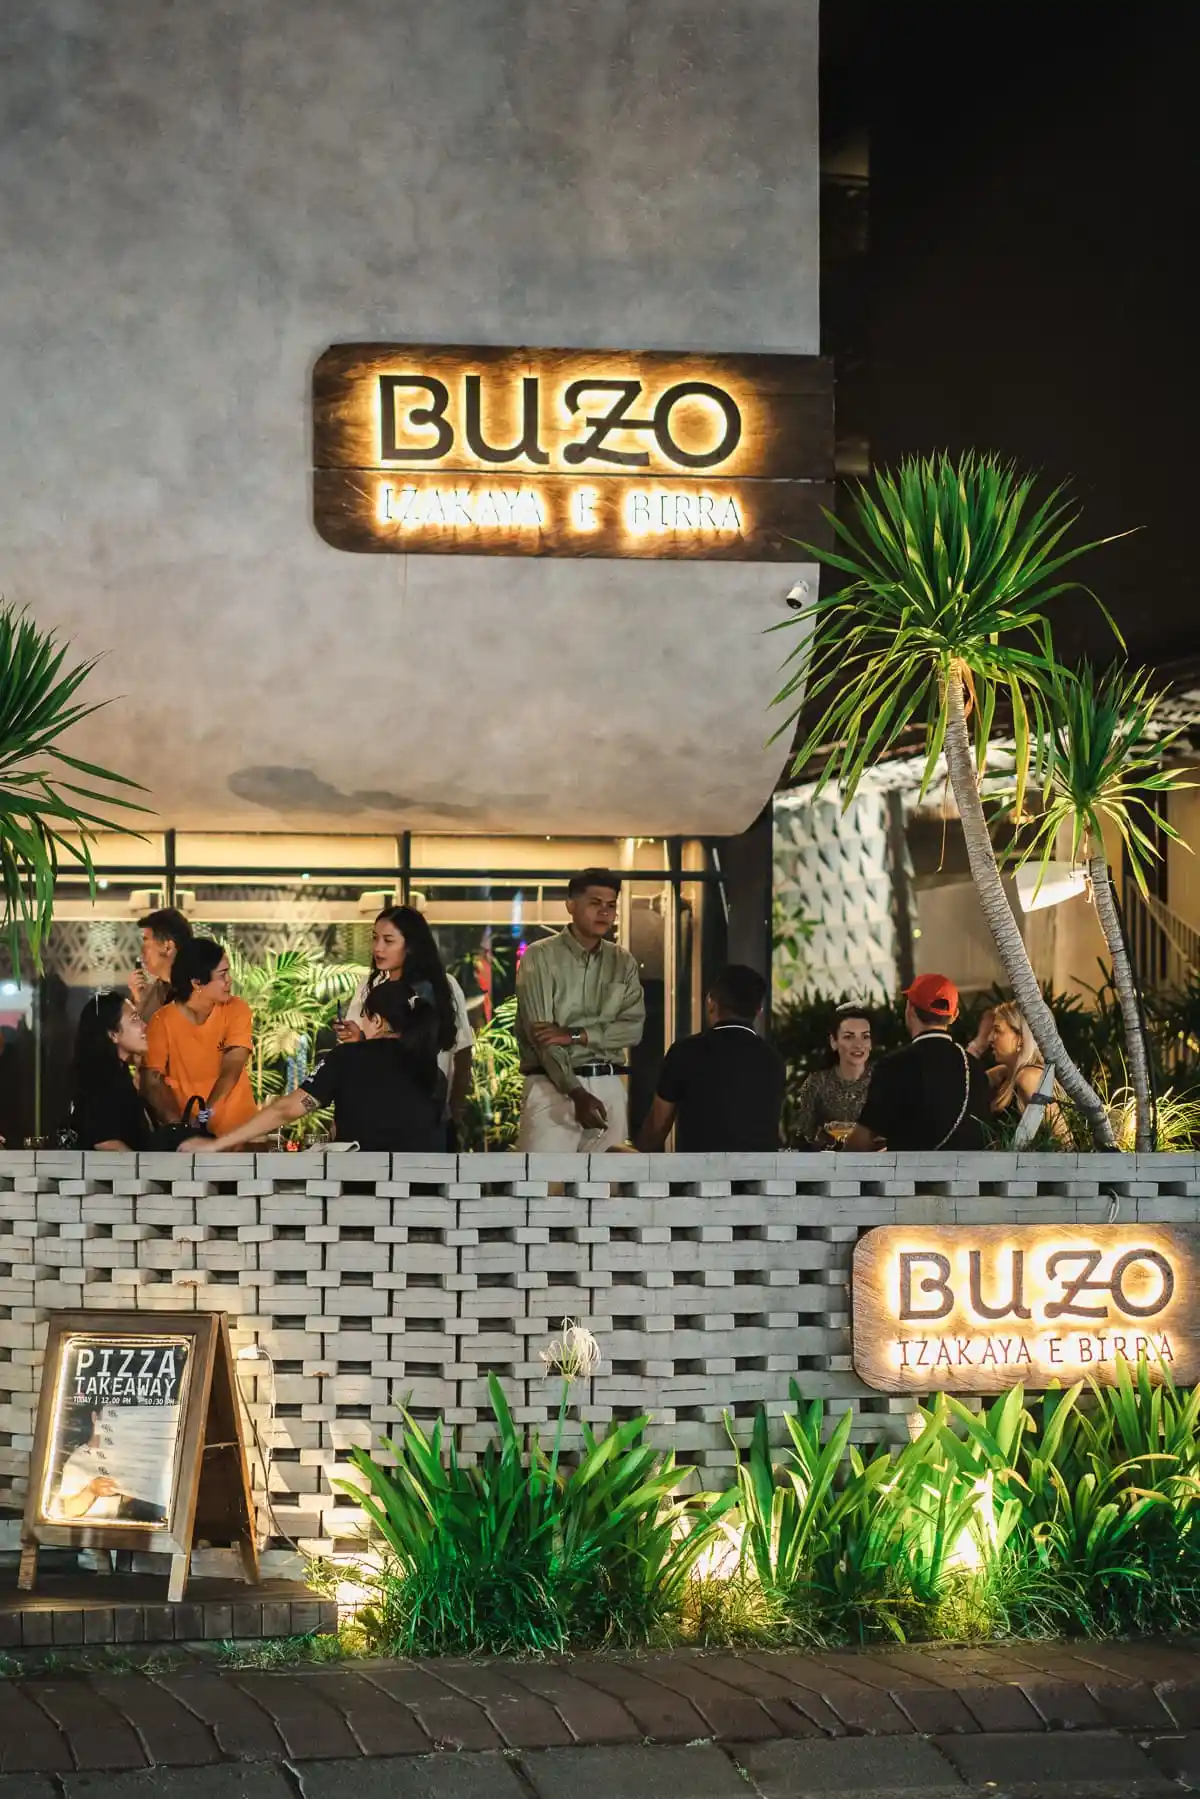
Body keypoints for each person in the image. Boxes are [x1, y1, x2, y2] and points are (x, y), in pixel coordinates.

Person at [204, 978, 444, 1153]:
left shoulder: (347, 1058)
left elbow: (286, 1110)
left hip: (360, 1192)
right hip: (422, 1194)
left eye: (364, 1017)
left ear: (378, 1021)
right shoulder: (433, 1071)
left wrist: (219, 1143)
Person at [515, 869, 645, 1152]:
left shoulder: (623, 961)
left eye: (611, 905)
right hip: (551, 1087)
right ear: (571, 905)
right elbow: (542, 1037)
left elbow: (633, 1030)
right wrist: (575, 1091)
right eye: (595, 903)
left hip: (609, 1085)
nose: (604, 912)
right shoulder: (540, 955)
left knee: (609, 1179)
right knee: (543, 1179)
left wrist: (575, 1034)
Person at [336, 905, 473, 1144]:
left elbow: (462, 1054)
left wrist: (455, 1115)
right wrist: (356, 1039)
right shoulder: (368, 986)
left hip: (429, 1112)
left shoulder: (443, 987)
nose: (378, 948)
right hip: (375, 1111)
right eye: (375, 938)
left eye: (388, 940)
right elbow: (362, 1057)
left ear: (411, 945)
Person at [637, 964, 785, 1152]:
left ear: (711, 1003)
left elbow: (655, 1129)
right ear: (759, 1010)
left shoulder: (685, 1052)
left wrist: (632, 1156)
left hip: (699, 1169)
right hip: (759, 1170)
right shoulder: (773, 1060)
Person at [846, 972, 991, 1152]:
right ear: (954, 1016)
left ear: (910, 1010)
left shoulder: (893, 1066)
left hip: (909, 1171)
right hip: (968, 1171)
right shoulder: (975, 1068)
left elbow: (861, 1142)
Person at [142, 938, 257, 1135]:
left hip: (240, 1131)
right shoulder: (162, 1022)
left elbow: (232, 1066)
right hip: (191, 1136)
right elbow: (152, 1081)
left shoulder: (236, 1009)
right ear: (196, 983)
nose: (229, 980)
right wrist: (180, 1127)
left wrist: (205, 1115)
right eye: (222, 974)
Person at [969, 1000, 1069, 1142]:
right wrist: (977, 1045)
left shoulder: (1029, 1077)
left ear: (1021, 1039)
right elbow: (962, 1085)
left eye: (997, 1030)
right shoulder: (1004, 1073)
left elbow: (1065, 1140)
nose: (990, 1038)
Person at [70, 991, 155, 1150]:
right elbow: (106, 1142)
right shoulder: (100, 1081)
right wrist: (140, 1166)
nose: (144, 1026)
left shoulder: (121, 1073)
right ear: (113, 1034)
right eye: (134, 1019)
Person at [791, 1003, 874, 1147]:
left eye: (865, 1036)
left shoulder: (883, 1082)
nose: (858, 1045)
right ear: (833, 1042)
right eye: (849, 1037)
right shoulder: (817, 1083)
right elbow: (802, 1136)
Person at [128, 907, 193, 1024]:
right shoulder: (148, 994)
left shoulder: (201, 994)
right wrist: (138, 1001)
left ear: (167, 947)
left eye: (146, 941)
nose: (142, 951)